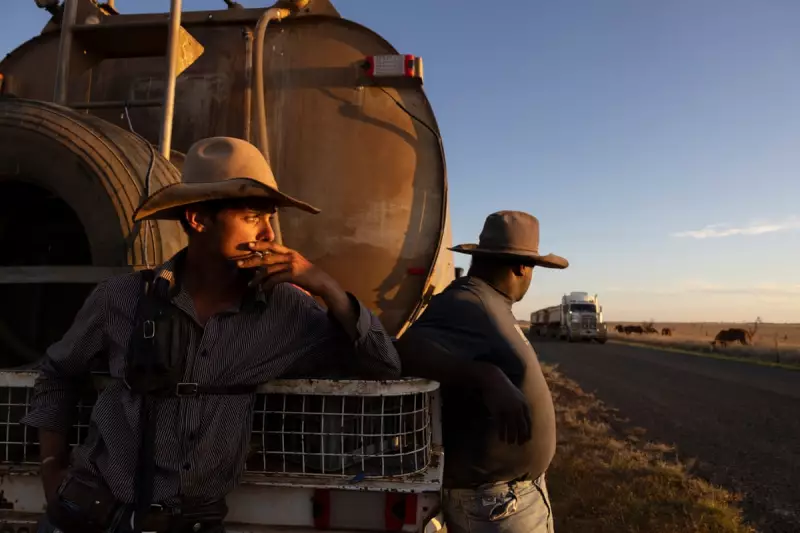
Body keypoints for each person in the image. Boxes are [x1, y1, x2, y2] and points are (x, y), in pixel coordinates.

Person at [22, 136, 401, 533]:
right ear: (198, 219)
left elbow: (385, 365)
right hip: (92, 516)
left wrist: (328, 288)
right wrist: (51, 470)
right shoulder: (122, 297)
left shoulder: (284, 308)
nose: (269, 235)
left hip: (193, 523)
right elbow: (58, 373)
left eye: (270, 219)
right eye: (253, 218)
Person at [395, 210, 568, 533]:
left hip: (508, 499)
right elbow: (407, 351)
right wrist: (485, 376)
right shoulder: (466, 301)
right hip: (496, 506)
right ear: (522, 266)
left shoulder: (489, 302)